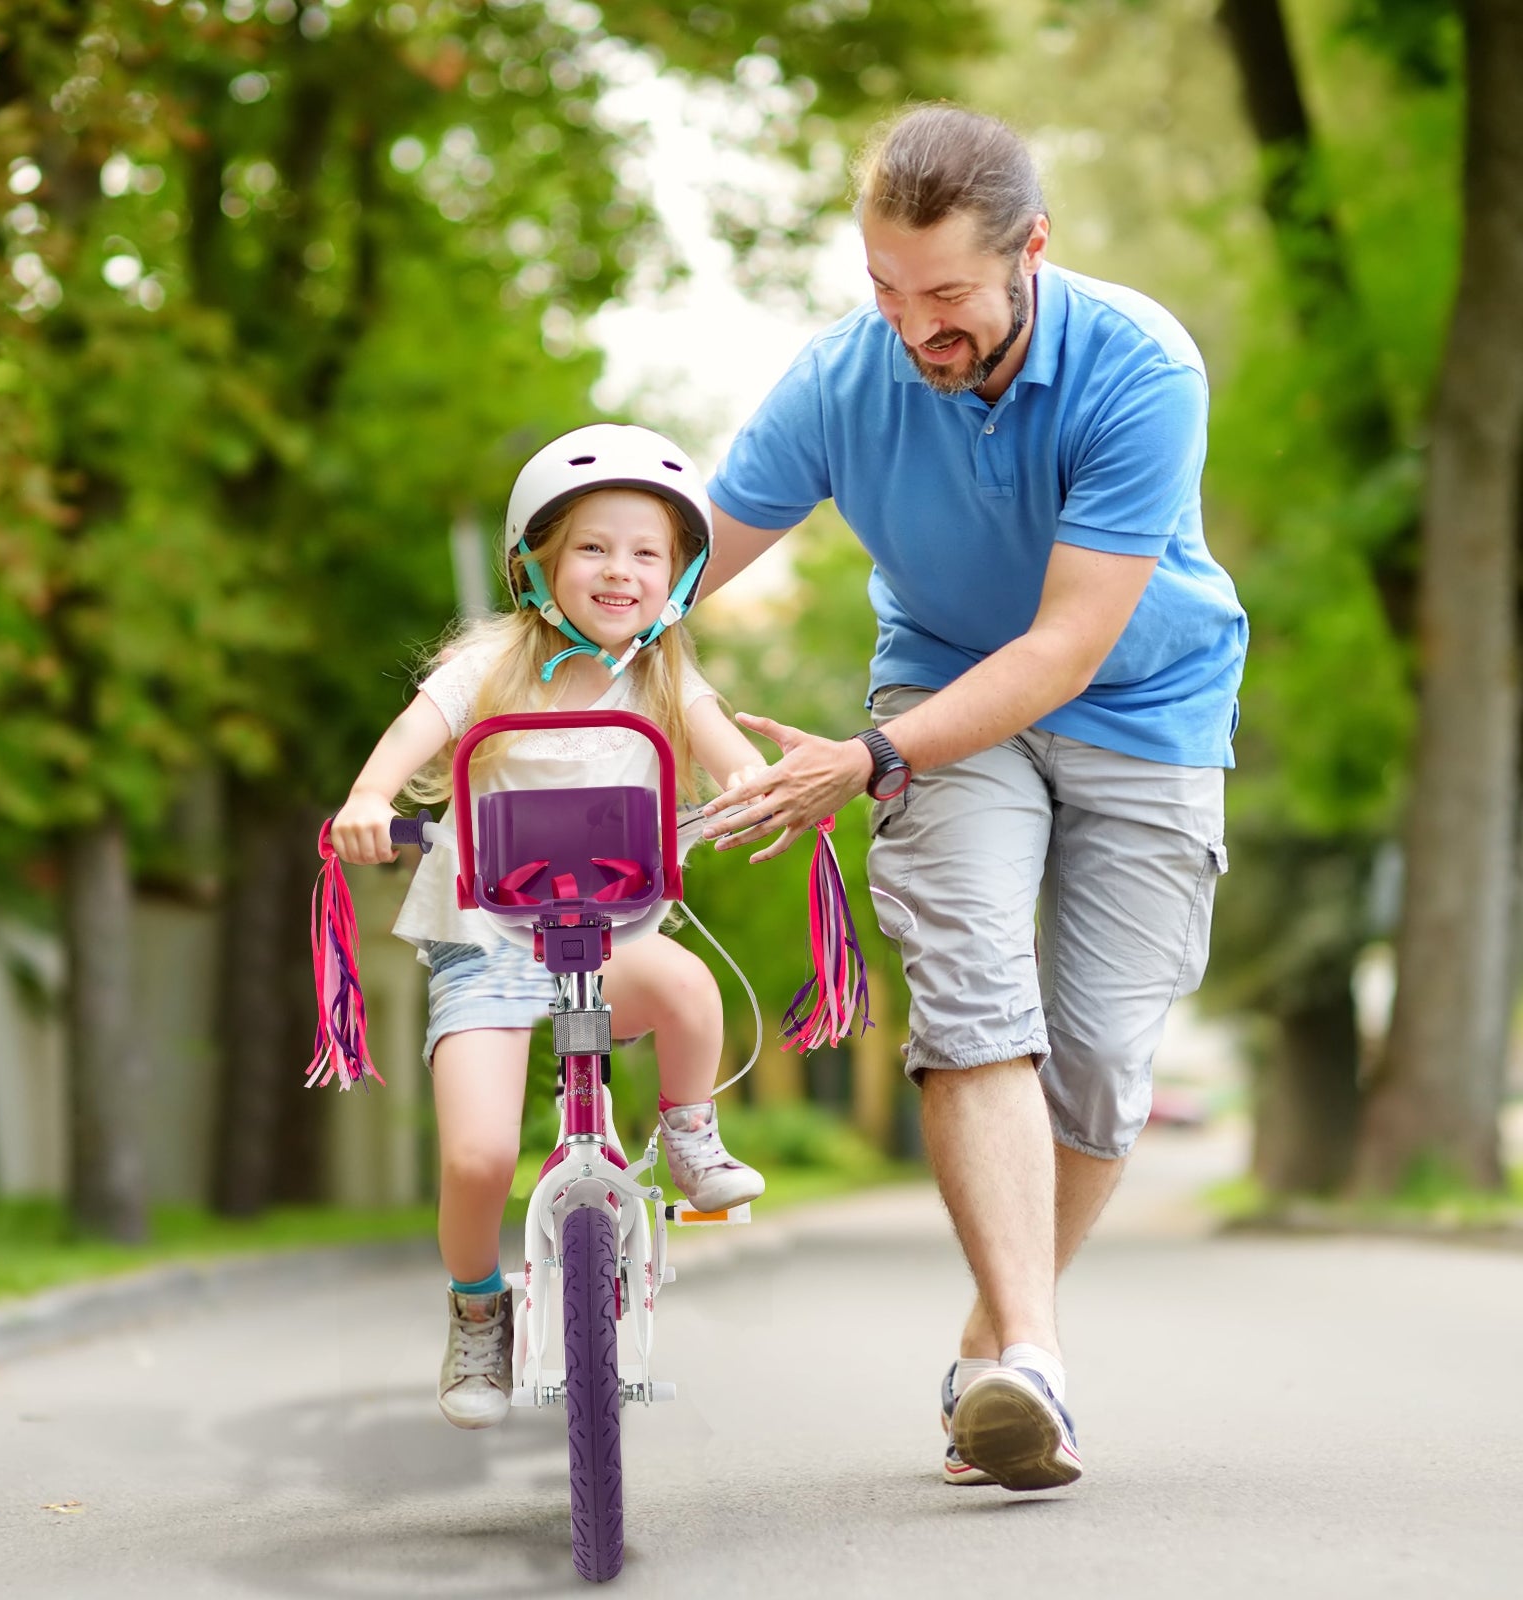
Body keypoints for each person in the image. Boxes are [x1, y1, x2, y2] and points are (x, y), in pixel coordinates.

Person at [698, 104, 1247, 1491]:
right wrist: (559, 612)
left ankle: (996, 1349)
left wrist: (862, 762)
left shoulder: (1140, 366)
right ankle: (1034, 1372)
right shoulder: (844, 378)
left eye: (944, 295)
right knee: (972, 998)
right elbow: (683, 558)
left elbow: (1068, 645)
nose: (912, 326)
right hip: (942, 698)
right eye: (884, 287)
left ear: (1031, 254)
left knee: (1107, 1061)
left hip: (1144, 704)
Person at [329, 424, 768, 1430]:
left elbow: (727, 752)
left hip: (608, 934)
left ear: (680, 573)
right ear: (538, 561)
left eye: (646, 552)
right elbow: (415, 732)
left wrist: (756, 788)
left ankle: (690, 1137)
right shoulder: (493, 660)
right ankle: (479, 1308)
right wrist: (370, 794)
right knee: (478, 1158)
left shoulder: (664, 673)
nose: (621, 570)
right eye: (593, 547)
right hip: (487, 937)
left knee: (689, 989)